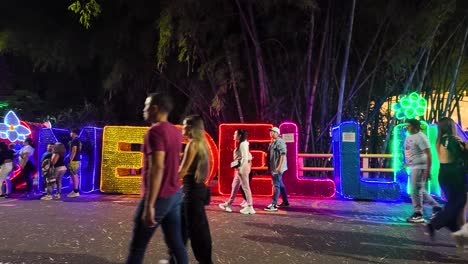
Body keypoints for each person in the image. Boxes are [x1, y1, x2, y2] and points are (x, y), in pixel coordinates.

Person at [126, 93, 187, 264]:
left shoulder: (155, 132)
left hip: (159, 197)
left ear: (154, 108)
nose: (144, 110)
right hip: (175, 195)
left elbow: (157, 167)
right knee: (177, 245)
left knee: (137, 247)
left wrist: (149, 205)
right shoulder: (176, 132)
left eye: (146, 106)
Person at [428, 117, 468, 247]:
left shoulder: (440, 140)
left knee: (457, 204)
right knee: (458, 202)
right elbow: (462, 157)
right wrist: (465, 148)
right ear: (451, 126)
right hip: (454, 175)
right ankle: (436, 222)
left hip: (444, 173)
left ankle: (458, 233)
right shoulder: (451, 140)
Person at [178, 115, 213, 263]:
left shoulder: (192, 145)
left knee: (196, 231)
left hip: (191, 192)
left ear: (192, 128)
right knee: (183, 228)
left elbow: (182, 171)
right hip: (196, 189)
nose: (182, 127)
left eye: (185, 125)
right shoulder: (203, 144)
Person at [404, 119, 441, 223]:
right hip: (413, 166)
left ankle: (418, 213)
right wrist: (408, 162)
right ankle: (436, 207)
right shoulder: (409, 137)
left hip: (420, 167)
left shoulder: (421, 137)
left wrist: (428, 170)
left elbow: (428, 154)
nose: (407, 127)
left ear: (415, 127)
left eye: (409, 126)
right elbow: (410, 151)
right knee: (419, 190)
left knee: (415, 191)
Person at [219, 129, 255, 214]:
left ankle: (250, 206)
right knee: (234, 186)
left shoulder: (243, 144)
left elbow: (245, 157)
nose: (233, 135)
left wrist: (240, 167)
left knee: (245, 187)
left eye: (235, 134)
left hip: (242, 169)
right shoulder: (242, 144)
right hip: (240, 169)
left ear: (239, 135)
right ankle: (228, 204)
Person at [264, 127, 290, 212]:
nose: (270, 133)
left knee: (276, 185)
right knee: (280, 184)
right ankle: (286, 202)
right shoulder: (273, 142)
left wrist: (279, 166)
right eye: (270, 132)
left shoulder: (280, 141)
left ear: (276, 133)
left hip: (277, 168)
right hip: (274, 167)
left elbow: (283, 154)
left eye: (272, 132)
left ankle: (274, 204)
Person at [67, 128, 82, 197]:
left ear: (74, 133)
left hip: (74, 160)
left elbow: (74, 151)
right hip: (77, 159)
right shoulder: (79, 140)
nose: (70, 134)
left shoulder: (74, 140)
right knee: (75, 175)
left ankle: (76, 191)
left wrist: (70, 160)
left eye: (71, 132)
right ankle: (75, 190)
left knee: (74, 175)